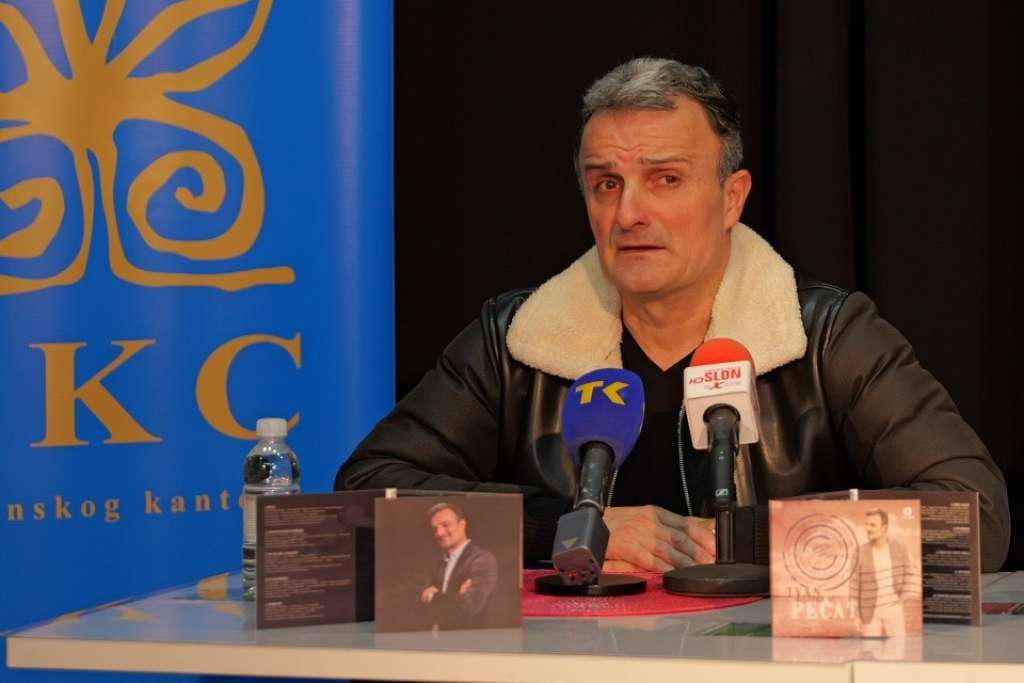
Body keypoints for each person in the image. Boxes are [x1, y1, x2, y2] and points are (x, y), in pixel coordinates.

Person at [336, 58, 1010, 573]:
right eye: (607, 183)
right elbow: (362, 500)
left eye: (666, 179)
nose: (629, 213)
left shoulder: (827, 334)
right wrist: (566, 528)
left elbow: (973, 517)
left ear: (731, 198)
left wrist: (748, 539)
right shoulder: (513, 340)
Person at [419, 502, 498, 629]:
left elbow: (468, 606)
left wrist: (431, 596)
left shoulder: (482, 559)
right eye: (435, 529)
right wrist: (455, 597)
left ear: (462, 525)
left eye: (445, 525)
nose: (439, 533)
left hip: (471, 638)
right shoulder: (441, 563)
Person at [851, 509, 915, 636]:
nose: (868, 528)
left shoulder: (899, 548)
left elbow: (908, 574)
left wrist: (902, 598)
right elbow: (854, 584)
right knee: (870, 647)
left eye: (873, 525)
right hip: (869, 611)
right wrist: (856, 615)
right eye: (866, 525)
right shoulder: (860, 552)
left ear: (884, 527)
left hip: (893, 608)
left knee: (897, 646)